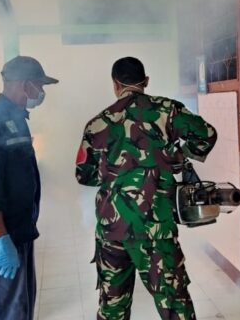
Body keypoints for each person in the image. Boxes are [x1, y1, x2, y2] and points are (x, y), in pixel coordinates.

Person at [75, 57, 217, 320]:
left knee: (112, 308)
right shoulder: (167, 110)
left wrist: (116, 174)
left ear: (115, 85)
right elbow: (206, 136)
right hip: (156, 229)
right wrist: (177, 155)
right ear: (146, 82)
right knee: (174, 305)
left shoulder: (98, 123)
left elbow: (83, 175)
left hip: (111, 229)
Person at [0, 56, 58, 320]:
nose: (41, 93)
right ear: (25, 85)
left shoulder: (15, 119)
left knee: (22, 308)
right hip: (5, 237)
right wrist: (0, 237)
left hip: (20, 231)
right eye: (40, 86)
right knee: (10, 313)